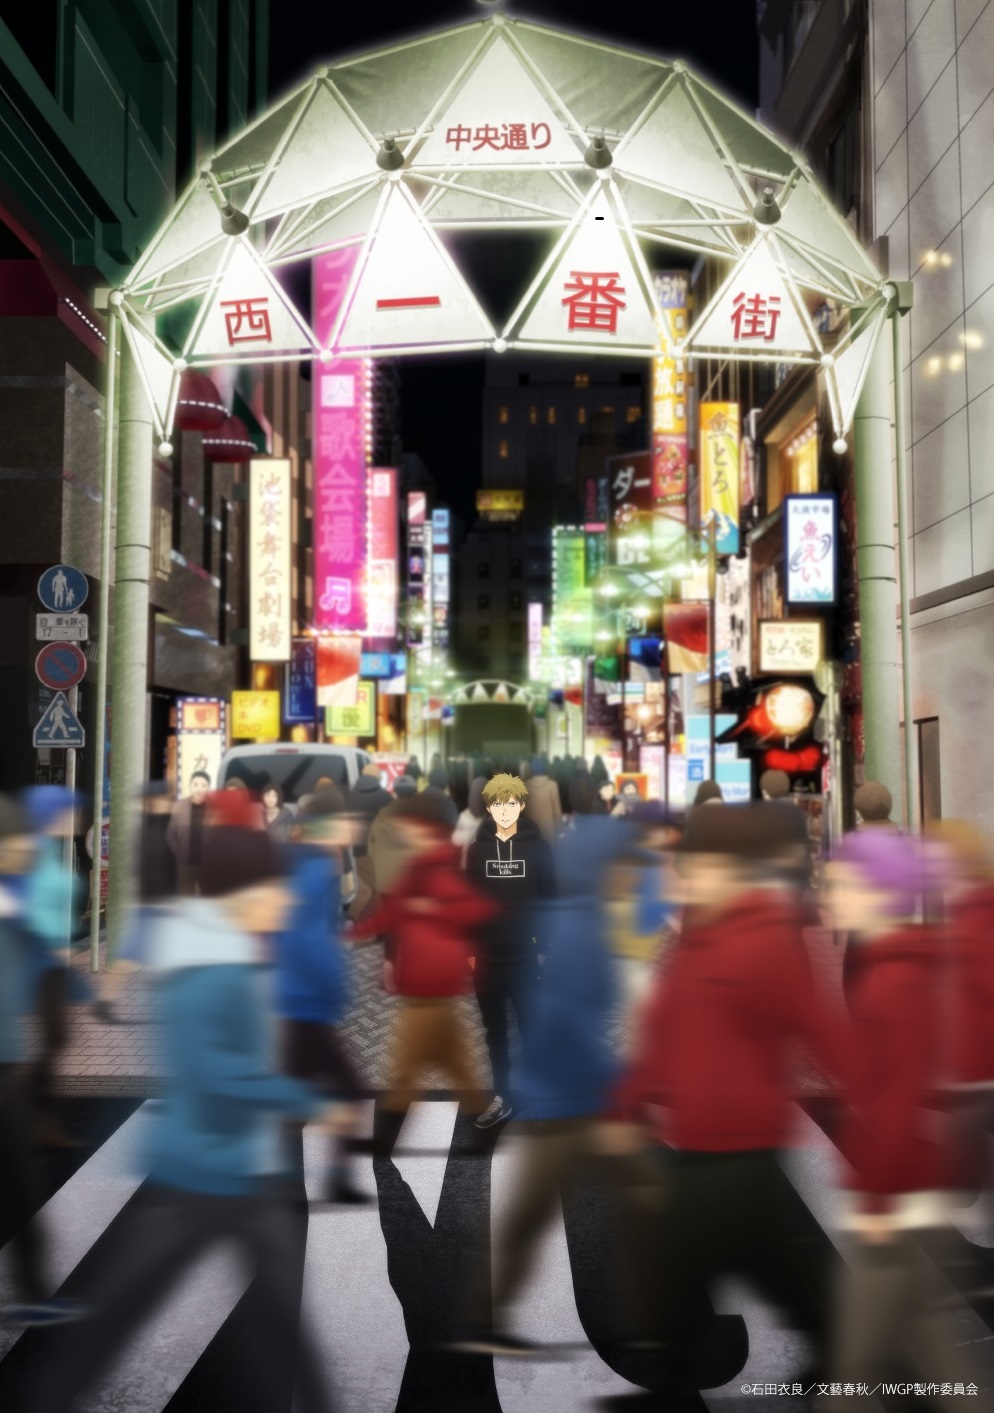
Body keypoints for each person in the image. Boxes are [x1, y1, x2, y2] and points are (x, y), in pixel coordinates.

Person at [27, 808, 338, 1412]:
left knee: (284, 1324)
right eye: (276, 886)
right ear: (246, 891)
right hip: (197, 1175)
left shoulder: (235, 952)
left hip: (248, 1170)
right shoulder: (212, 969)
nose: (286, 898)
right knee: (114, 1321)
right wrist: (308, 1100)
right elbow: (217, 1072)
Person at [608, 804, 849, 1398]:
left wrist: (877, 1109)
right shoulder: (701, 935)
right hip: (704, 1140)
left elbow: (821, 1034)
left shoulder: (764, 942)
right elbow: (666, 1025)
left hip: (739, 1143)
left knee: (688, 1264)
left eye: (701, 862)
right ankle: (830, 1345)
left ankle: (674, 1380)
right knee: (758, 1260)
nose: (686, 871)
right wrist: (628, 1100)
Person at [457, 817, 625, 1356]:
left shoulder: (570, 913)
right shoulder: (579, 926)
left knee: (531, 1213)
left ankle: (486, 1316)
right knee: (635, 1201)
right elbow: (564, 1021)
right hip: (570, 1098)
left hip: (562, 1092)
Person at [822, 831, 973, 1403]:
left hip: (897, 1192)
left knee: (856, 1367)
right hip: (903, 1188)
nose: (827, 897)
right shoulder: (892, 969)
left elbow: (899, 1098)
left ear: (879, 893)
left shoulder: (897, 980)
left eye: (839, 886)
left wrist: (877, 1198)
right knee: (924, 1329)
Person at [352, 793, 495, 1158]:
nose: (401, 832)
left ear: (425, 829)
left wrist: (432, 909)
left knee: (404, 1069)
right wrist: (350, 934)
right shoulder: (421, 865)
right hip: (431, 986)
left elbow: (478, 908)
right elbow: (392, 913)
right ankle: (485, 1128)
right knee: (457, 1065)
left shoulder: (439, 868)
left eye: (406, 826)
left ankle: (383, 1143)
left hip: (431, 986)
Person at [0, 795, 86, 1327]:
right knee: (16, 1179)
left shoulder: (17, 901)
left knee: (19, 1179)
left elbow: (44, 957)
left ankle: (32, 1292)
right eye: (12, 845)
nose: (22, 851)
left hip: (9, 1061)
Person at [277, 787, 368, 1204]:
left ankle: (303, 1182)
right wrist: (332, 988)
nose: (352, 828)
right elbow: (306, 943)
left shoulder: (313, 868)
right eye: (344, 822)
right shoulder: (312, 873)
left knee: (300, 1100)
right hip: (303, 1004)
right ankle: (319, 1181)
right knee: (345, 1090)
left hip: (302, 1004)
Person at [465, 773, 557, 1129]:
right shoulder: (477, 851)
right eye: (498, 804)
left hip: (525, 957)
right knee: (496, 1033)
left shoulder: (538, 849)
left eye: (512, 804)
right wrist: (471, 953)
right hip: (486, 959)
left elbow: (550, 899)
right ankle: (502, 1095)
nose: (505, 811)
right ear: (489, 808)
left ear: (521, 805)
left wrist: (545, 949)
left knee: (533, 1029)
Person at [165, 769, 211, 895]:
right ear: (190, 786)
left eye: (203, 785)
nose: (199, 789)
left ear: (208, 788)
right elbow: (170, 834)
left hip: (207, 864)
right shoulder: (179, 806)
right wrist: (179, 852)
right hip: (185, 863)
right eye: (195, 784)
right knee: (186, 898)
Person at [523, 757, 562, 844]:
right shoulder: (552, 785)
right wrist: (559, 829)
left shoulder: (525, 786)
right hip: (549, 831)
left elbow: (524, 811)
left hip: (531, 831)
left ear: (531, 770)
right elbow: (556, 811)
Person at [452, 775, 487, 854]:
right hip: (485, 863)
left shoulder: (464, 816)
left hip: (467, 862)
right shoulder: (492, 819)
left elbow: (456, 841)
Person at [423, 765, 459, 829]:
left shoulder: (417, 799)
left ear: (429, 780)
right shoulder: (449, 805)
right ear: (445, 784)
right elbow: (453, 827)